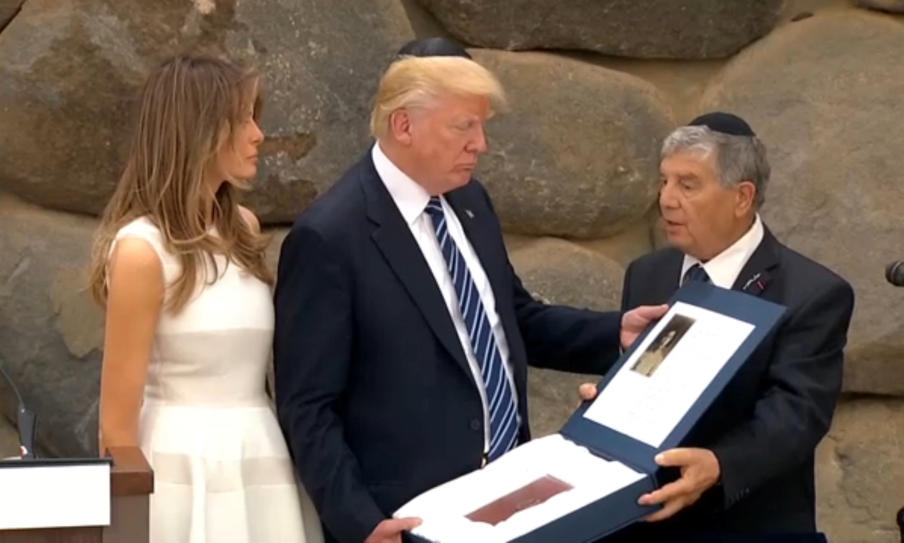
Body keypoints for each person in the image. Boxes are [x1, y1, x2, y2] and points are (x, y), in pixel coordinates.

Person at [273, 52, 665, 543]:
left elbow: (510, 320)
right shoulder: (329, 237)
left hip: (509, 495)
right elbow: (307, 404)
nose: (480, 145)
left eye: (481, 127)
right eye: (464, 127)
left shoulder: (469, 200)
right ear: (404, 125)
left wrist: (615, 333)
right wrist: (361, 523)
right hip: (409, 518)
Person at [90, 55, 321, 543]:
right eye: (242, 120)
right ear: (196, 131)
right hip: (179, 473)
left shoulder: (243, 230)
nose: (258, 134)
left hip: (260, 461)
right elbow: (116, 430)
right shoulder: (141, 252)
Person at [607, 112, 854, 539]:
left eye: (687, 185)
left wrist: (719, 464)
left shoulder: (812, 293)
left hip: (747, 525)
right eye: (664, 181)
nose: (666, 199)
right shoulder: (646, 273)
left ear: (742, 197)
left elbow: (795, 416)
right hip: (643, 521)